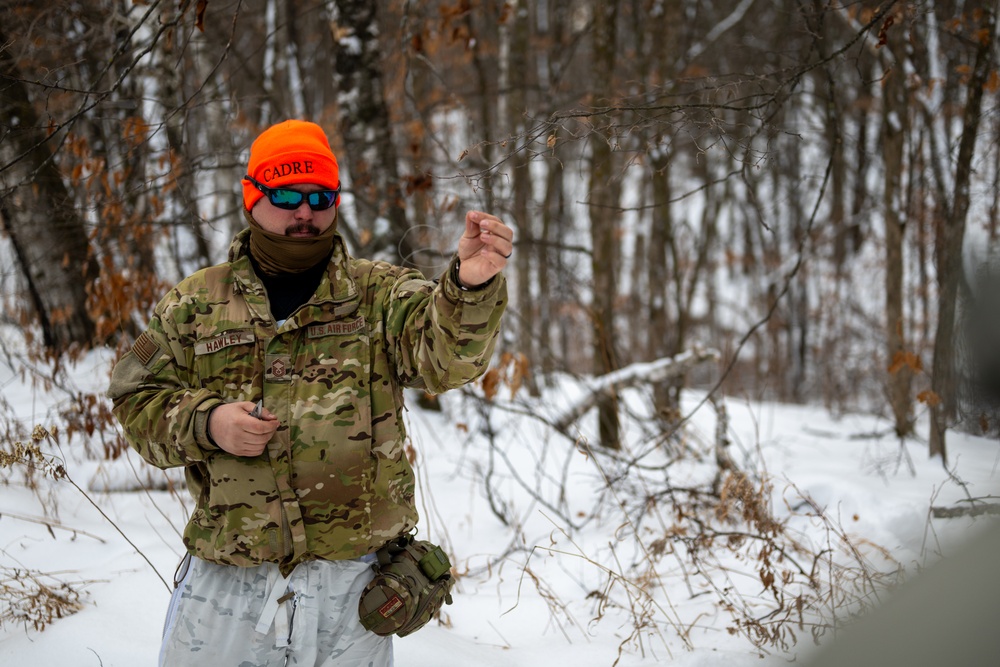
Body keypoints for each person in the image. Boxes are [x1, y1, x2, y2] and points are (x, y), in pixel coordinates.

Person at [107, 119, 511, 666]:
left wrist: (470, 286)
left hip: (351, 587)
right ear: (253, 197)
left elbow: (444, 359)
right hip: (228, 581)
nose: (305, 212)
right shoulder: (193, 304)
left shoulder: (380, 294)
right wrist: (209, 423)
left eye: (320, 196)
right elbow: (136, 400)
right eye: (287, 195)